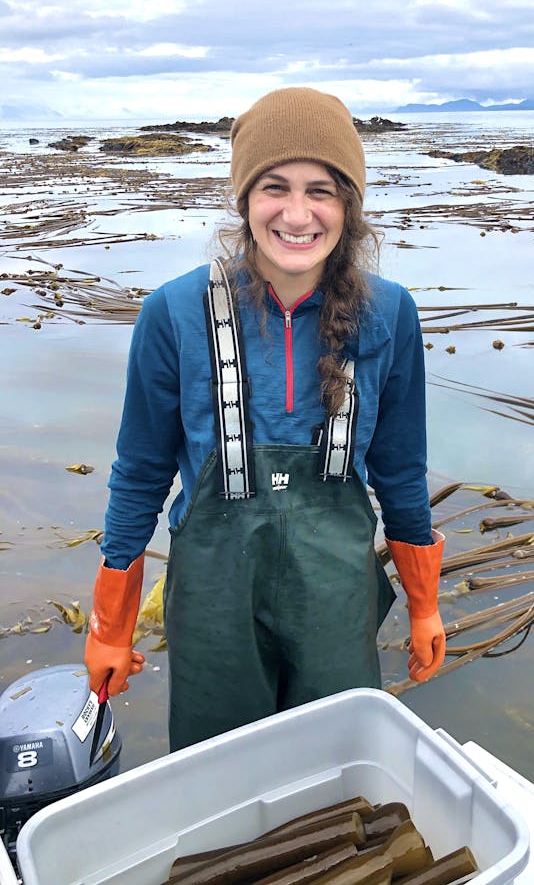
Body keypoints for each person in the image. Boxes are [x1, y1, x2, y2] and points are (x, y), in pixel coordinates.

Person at [84, 86, 446, 751]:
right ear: (245, 200)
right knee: (216, 774)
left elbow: (399, 472)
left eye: (322, 190)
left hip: (336, 603)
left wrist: (424, 606)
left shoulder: (390, 314)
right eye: (275, 187)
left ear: (349, 206)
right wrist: (111, 625)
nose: (298, 213)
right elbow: (139, 476)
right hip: (214, 608)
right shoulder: (173, 312)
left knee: (334, 773)